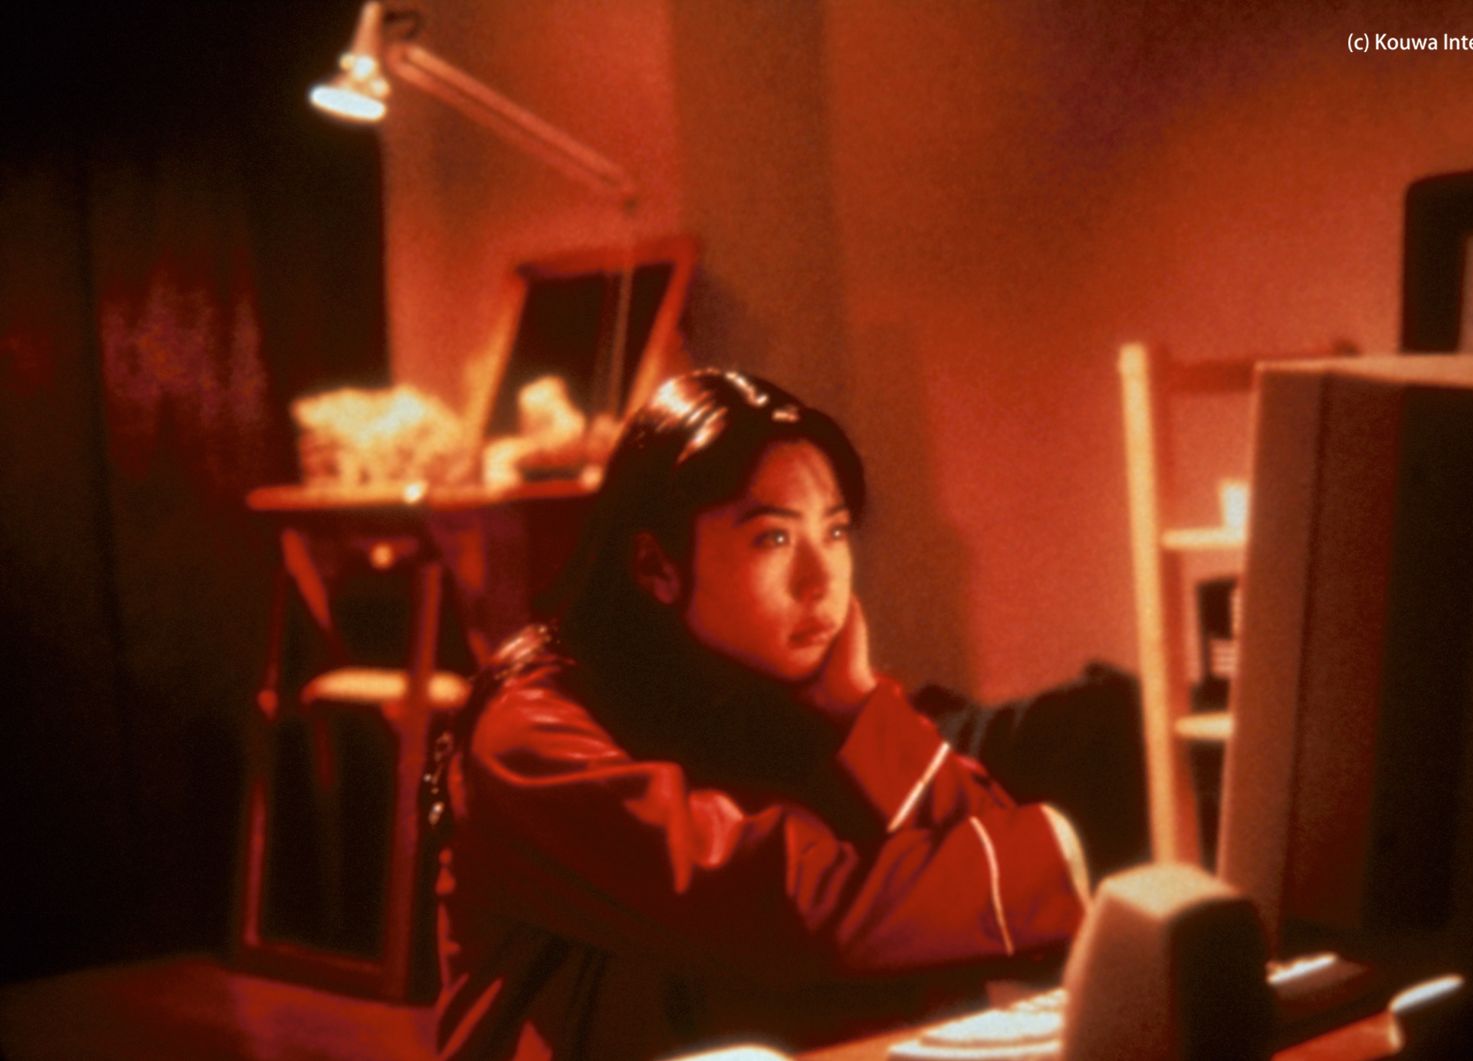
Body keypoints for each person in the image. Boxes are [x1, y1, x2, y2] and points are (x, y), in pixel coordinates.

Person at [431, 369, 1091, 1060]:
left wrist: (859, 705)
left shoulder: (776, 687)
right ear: (655, 565)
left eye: (834, 531)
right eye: (773, 539)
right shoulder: (530, 727)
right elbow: (786, 909)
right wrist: (1037, 872)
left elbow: (1004, 888)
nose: (820, 580)